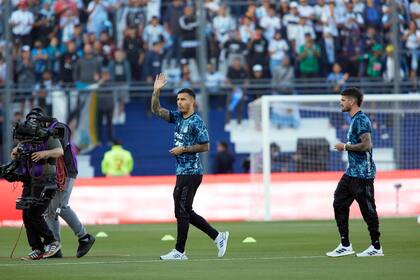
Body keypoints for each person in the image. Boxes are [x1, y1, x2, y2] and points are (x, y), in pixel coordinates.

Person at [151, 73, 229, 260]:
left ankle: (179, 251)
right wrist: (156, 91)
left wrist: (183, 149)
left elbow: (206, 145)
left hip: (192, 171)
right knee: (185, 210)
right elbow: (156, 110)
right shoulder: (178, 117)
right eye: (178, 99)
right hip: (182, 171)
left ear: (192, 102)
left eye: (183, 99)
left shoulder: (196, 121)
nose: (179, 102)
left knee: (182, 210)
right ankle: (218, 236)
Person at [326, 87, 383, 258]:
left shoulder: (361, 120)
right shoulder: (353, 120)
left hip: (363, 174)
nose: (340, 102)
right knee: (339, 203)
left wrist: (344, 146)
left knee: (368, 210)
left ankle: (376, 247)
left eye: (343, 100)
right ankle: (345, 245)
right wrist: (347, 147)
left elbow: (367, 145)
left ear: (352, 101)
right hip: (351, 172)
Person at [10, 108, 64, 260]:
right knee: (26, 215)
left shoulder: (47, 135)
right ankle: (37, 248)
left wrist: (45, 153)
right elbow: (15, 154)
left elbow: (59, 151)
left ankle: (52, 242)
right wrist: (15, 152)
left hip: (45, 180)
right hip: (29, 180)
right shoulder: (25, 137)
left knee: (35, 213)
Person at [45, 117, 95, 258]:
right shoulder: (54, 128)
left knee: (61, 207)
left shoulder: (60, 127)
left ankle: (84, 237)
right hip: (58, 172)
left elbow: (59, 145)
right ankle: (55, 246)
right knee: (51, 210)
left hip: (66, 171)